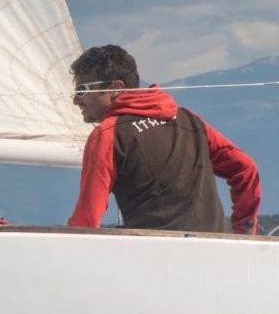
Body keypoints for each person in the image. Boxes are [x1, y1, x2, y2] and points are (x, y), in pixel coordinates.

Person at [67, 44, 260, 233]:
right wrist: (243, 232)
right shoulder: (189, 120)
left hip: (154, 251)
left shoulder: (108, 134)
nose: (76, 100)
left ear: (116, 88)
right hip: (215, 247)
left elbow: (86, 219)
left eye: (81, 90)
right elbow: (245, 168)